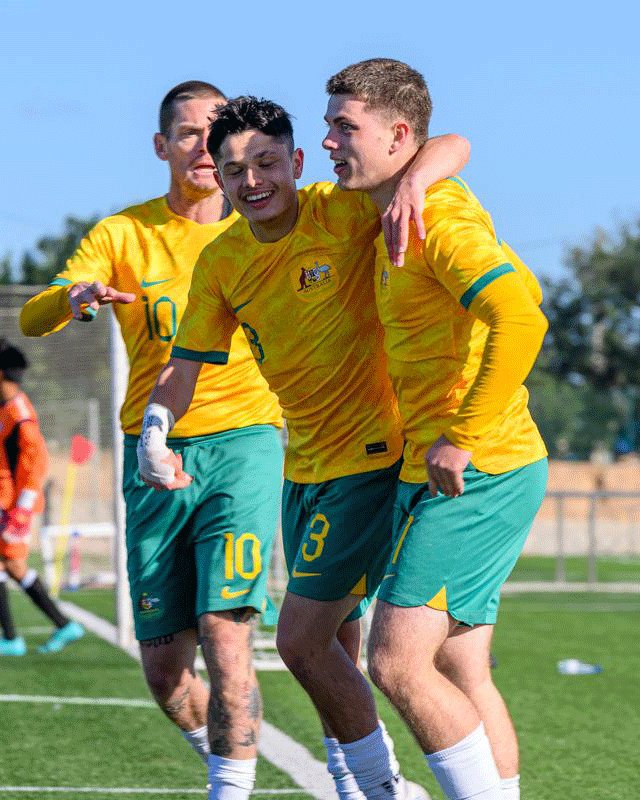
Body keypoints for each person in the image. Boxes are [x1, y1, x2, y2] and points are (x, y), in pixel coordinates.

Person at [137, 96, 469, 800]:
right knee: (336, 647)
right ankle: (358, 783)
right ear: (218, 180)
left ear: (294, 162)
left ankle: (385, 789)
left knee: (301, 643)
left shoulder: (341, 210)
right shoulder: (224, 260)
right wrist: (154, 429)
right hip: (305, 468)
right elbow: (186, 364)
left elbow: (452, 146)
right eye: (234, 170)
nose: (252, 181)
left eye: (266, 163)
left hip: (373, 462)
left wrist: (412, 182)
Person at [20, 81, 286, 799]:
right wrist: (73, 298)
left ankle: (232, 788)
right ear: (161, 145)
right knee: (165, 670)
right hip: (152, 453)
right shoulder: (124, 235)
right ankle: (227, 761)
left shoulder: (263, 226)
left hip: (243, 442)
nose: (206, 146)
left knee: (227, 632)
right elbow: (38, 315)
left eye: (218, 131)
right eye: (190, 133)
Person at [323, 58, 549, 800]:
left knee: (396, 663)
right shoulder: (388, 197)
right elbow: (453, 140)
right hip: (447, 468)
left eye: (342, 126)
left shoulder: (439, 219)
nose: (328, 141)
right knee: (458, 669)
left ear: (394, 136)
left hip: (478, 468)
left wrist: (464, 434)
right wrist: (419, 175)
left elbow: (521, 318)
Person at [0, 339, 85, 655]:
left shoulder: (21, 416)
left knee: (14, 565)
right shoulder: (7, 408)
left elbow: (36, 463)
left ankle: (24, 635)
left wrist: (21, 512)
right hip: (6, 501)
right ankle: (18, 636)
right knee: (11, 566)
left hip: (12, 505)